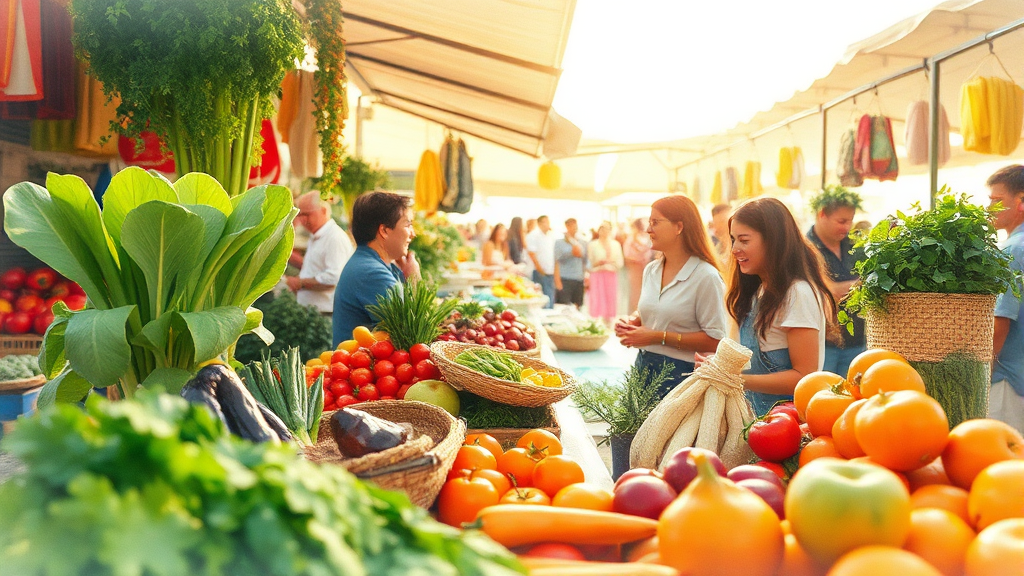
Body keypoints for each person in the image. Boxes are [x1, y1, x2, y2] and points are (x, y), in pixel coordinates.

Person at [712, 197, 835, 417]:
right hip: (759, 422)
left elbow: (803, 376)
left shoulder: (797, 293)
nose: (734, 249)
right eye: (733, 240)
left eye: (744, 240)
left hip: (787, 427)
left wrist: (735, 379)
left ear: (773, 241)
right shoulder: (759, 290)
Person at [616, 196, 727, 399]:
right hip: (643, 366)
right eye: (649, 223)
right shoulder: (652, 270)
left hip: (681, 376)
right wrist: (633, 321)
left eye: (655, 222)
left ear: (679, 227)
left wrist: (655, 336)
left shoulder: (706, 276)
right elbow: (655, 309)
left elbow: (716, 340)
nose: (649, 229)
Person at [332, 191, 420, 346]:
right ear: (384, 231)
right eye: (408, 225)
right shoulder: (370, 272)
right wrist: (414, 279)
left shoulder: (370, 264)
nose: (413, 234)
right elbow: (411, 334)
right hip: (360, 368)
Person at [806, 185, 866, 377]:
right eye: (841, 221)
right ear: (822, 214)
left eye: (850, 221)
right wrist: (855, 285)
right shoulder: (805, 248)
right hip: (822, 344)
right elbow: (820, 291)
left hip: (857, 341)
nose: (847, 227)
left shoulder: (856, 245)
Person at [987, 165, 1024, 432]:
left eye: (996, 201)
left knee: (1001, 461)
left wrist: (982, 372)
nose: (989, 208)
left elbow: (1001, 319)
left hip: (1007, 379)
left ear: (1021, 202)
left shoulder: (1012, 250)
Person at [286, 191, 354, 315]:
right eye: (300, 214)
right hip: (313, 311)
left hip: (325, 313)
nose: (302, 219)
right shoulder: (318, 235)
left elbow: (333, 278)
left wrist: (300, 283)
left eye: (307, 214)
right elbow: (315, 268)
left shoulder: (334, 238)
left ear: (323, 211)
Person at [587, 222, 624, 323]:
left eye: (607, 229)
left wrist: (610, 263)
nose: (604, 231)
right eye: (602, 229)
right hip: (597, 274)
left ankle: (609, 321)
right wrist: (598, 263)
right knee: (597, 298)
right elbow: (590, 262)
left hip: (611, 273)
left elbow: (620, 262)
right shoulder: (593, 244)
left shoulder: (615, 244)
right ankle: (595, 321)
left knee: (610, 298)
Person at [554, 218, 587, 308]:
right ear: (566, 226)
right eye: (571, 225)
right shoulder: (559, 243)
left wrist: (586, 276)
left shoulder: (582, 242)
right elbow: (557, 260)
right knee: (564, 305)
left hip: (578, 278)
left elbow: (583, 257)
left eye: (575, 225)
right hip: (565, 278)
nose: (574, 228)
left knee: (578, 305)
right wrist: (557, 281)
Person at [623, 217, 653, 314]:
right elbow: (626, 256)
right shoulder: (631, 240)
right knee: (635, 292)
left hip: (644, 268)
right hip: (635, 268)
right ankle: (635, 312)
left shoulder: (645, 238)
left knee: (643, 291)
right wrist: (637, 260)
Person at [526, 215, 557, 308]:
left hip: (550, 270)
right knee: (540, 297)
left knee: (550, 296)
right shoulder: (533, 235)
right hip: (538, 271)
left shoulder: (551, 236)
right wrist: (539, 268)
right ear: (539, 224)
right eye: (545, 222)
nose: (547, 224)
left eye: (548, 222)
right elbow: (532, 254)